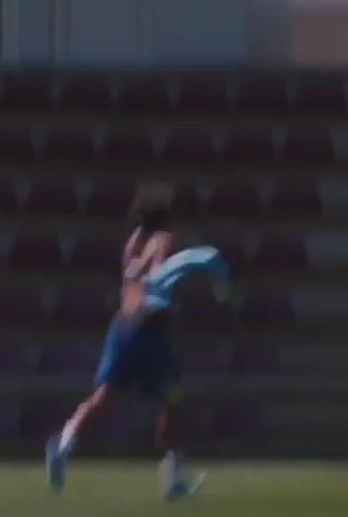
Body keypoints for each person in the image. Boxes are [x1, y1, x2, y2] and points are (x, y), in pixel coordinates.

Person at [45, 190, 230, 500]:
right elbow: (158, 272)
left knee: (103, 397)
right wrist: (200, 269)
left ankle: (62, 445)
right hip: (149, 331)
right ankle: (174, 477)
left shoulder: (132, 242)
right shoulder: (164, 239)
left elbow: (134, 278)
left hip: (123, 328)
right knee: (171, 400)